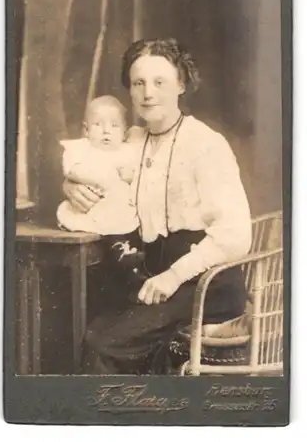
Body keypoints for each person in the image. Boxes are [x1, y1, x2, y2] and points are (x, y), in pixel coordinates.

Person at [63, 38, 252, 374]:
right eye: (139, 83)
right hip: (152, 273)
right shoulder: (130, 140)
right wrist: (71, 184)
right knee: (87, 325)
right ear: (130, 90)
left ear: (181, 84)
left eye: (159, 82)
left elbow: (236, 236)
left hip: (205, 280)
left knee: (103, 343)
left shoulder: (206, 144)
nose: (148, 93)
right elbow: (92, 165)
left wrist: (174, 276)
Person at [57, 95, 143, 277]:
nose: (106, 131)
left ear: (124, 131)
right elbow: (71, 169)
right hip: (91, 205)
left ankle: (124, 253)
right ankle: (119, 253)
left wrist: (128, 174)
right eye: (98, 125)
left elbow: (136, 174)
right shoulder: (82, 148)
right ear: (86, 130)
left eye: (114, 125)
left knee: (123, 225)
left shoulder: (126, 151)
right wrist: (91, 177)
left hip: (118, 207)